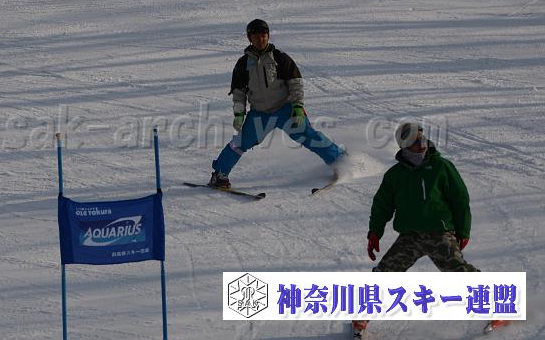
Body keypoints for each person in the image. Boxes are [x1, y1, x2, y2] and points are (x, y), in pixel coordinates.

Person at [352, 121, 506, 339]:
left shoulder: (441, 167)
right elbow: (382, 205)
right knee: (384, 273)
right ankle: (361, 318)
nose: (422, 143)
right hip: (410, 236)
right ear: (405, 145)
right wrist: (374, 232)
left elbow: (460, 200)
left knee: (459, 272)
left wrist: (463, 231)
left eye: (423, 138)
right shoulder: (395, 175)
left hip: (438, 233)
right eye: (416, 141)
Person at [208, 19, 345, 188]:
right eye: (256, 36)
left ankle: (340, 160)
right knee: (240, 143)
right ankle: (219, 174)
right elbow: (239, 92)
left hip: (285, 109)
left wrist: (297, 106)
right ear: (250, 38)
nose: (261, 39)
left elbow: (295, 83)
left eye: (263, 35)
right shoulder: (243, 64)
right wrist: (239, 113)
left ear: (268, 36)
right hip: (260, 114)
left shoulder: (280, 58)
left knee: (308, 136)